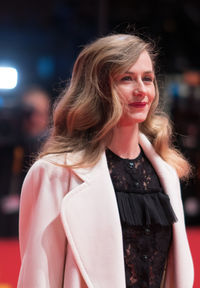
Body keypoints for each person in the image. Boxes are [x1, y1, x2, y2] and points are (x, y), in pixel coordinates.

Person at [17, 34, 194, 288]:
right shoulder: (55, 174)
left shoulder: (166, 174)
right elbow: (39, 278)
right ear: (97, 88)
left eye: (147, 79)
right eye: (126, 78)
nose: (141, 90)